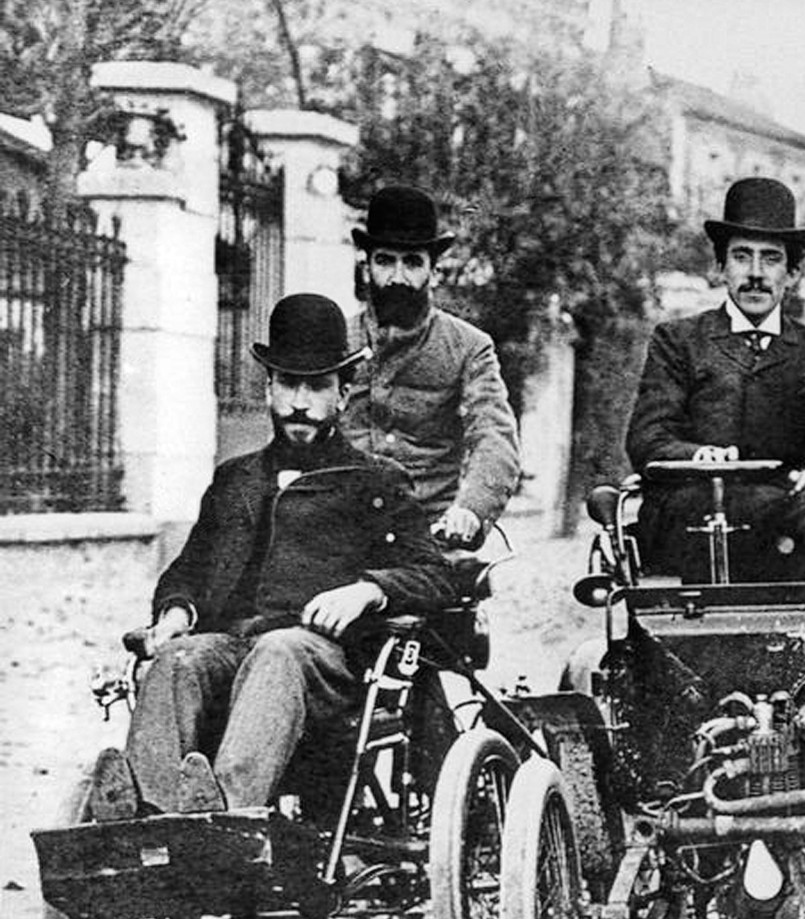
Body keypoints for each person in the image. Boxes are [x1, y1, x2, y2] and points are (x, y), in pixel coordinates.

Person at [90, 293, 456, 819]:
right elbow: (189, 569)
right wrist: (175, 613)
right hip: (232, 647)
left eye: (317, 386)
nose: (299, 402)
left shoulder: (375, 481)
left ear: (343, 392)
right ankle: (146, 817)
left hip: (323, 663)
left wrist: (368, 589)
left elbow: (433, 575)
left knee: (279, 650)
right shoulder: (235, 478)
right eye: (287, 383)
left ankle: (227, 818)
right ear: (268, 387)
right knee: (177, 660)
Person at [626, 177, 805, 583]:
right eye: (742, 257)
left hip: (786, 512)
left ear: (793, 272)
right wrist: (699, 456)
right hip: (694, 501)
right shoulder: (678, 341)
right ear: (720, 267)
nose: (756, 274)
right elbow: (648, 438)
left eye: (771, 259)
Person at [344, 183, 520, 546]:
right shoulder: (336, 341)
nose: (397, 277)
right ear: (366, 267)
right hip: (342, 530)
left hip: (430, 533)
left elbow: (493, 437)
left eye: (412, 263)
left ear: (434, 272)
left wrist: (470, 509)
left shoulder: (469, 348)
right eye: (384, 261)